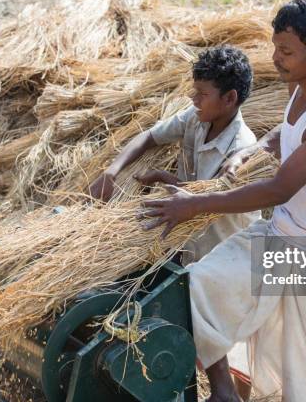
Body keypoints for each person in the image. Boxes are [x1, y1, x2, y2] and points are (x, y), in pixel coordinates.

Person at [141, 0, 306, 401]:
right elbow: (287, 136)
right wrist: (254, 149)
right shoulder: (301, 89)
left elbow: (280, 188)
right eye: (275, 46)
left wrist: (195, 204)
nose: (276, 58)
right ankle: (225, 393)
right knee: (201, 289)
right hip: (284, 236)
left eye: (287, 51)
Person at [88, 45, 260, 266]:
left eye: (203, 94)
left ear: (229, 99)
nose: (194, 99)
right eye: (195, 90)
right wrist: (110, 173)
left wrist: (163, 178)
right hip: (186, 241)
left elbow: (205, 202)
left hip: (221, 253)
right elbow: (148, 137)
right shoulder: (196, 117)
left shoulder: (241, 150)